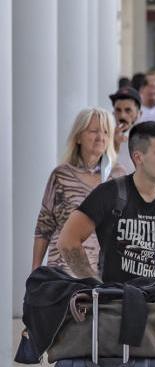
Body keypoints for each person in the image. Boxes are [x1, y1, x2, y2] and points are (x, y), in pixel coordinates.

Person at [58, 121, 155, 282]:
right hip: (117, 302)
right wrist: (93, 283)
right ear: (138, 157)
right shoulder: (109, 194)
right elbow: (67, 241)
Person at [33, 107, 127, 273]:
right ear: (78, 137)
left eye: (106, 132)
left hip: (103, 274)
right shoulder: (61, 175)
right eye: (93, 131)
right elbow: (44, 225)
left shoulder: (119, 176)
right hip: (63, 272)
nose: (100, 137)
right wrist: (35, 271)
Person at [110, 87, 142, 174]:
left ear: (139, 114)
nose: (122, 116)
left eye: (128, 110)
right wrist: (113, 144)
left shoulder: (148, 139)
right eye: (118, 110)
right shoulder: (104, 138)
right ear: (113, 113)